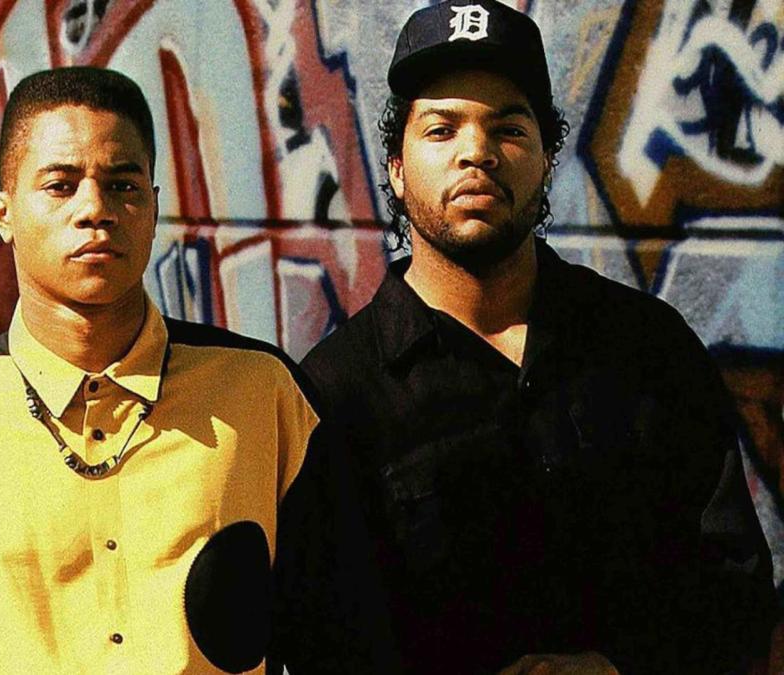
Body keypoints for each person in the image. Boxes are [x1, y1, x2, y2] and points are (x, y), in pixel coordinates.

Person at [0, 66, 358, 674]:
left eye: (123, 186)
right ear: (4, 213)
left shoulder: (260, 395)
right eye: (60, 186)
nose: (95, 210)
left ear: (154, 206)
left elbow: (344, 638)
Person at [298, 2, 778, 673]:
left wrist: (618, 667)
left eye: (509, 128)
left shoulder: (646, 349)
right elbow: (325, 643)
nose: (477, 152)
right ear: (398, 170)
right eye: (441, 129)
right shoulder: (335, 393)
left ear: (548, 159)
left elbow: (737, 594)